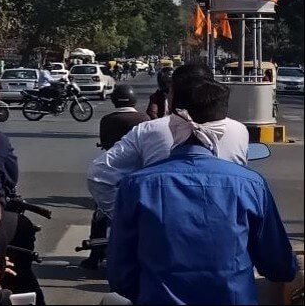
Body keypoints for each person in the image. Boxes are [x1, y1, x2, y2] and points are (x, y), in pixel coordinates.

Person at [107, 79, 298, 304]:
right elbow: (280, 267)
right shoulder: (250, 185)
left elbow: (120, 276)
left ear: (172, 120)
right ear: (223, 126)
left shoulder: (136, 185)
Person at [88, 62, 250, 221]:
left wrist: (128, 219)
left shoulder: (149, 132)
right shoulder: (240, 133)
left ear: (172, 98)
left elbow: (99, 176)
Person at [81, 84, 149, 270]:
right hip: (138, 173)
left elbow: (104, 143)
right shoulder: (145, 119)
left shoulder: (108, 119)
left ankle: (95, 255)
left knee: (100, 214)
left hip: (112, 174)